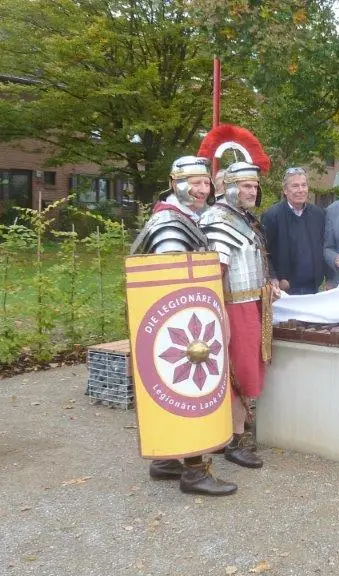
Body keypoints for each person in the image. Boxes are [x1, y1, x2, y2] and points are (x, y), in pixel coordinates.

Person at [130, 155, 237, 497]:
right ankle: (194, 470)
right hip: (182, 331)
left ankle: (165, 461)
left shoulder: (185, 218)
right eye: (195, 183)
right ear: (175, 183)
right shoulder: (170, 225)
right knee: (190, 387)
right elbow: (176, 286)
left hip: (181, 326)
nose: (203, 189)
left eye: (206, 182)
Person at [200, 162, 280, 470]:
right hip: (234, 305)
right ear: (230, 187)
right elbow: (215, 273)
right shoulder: (218, 219)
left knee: (249, 367)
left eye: (255, 186)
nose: (253, 191)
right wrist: (219, 313)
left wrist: (268, 284)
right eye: (246, 186)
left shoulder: (241, 217)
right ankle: (234, 439)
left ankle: (236, 430)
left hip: (253, 301)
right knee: (238, 370)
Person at [261, 167, 326, 295]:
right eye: (295, 186)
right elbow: (263, 251)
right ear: (285, 190)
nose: (301, 190)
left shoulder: (318, 214)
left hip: (313, 288)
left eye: (304, 185)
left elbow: (324, 246)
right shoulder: (272, 215)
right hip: (284, 289)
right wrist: (273, 277)